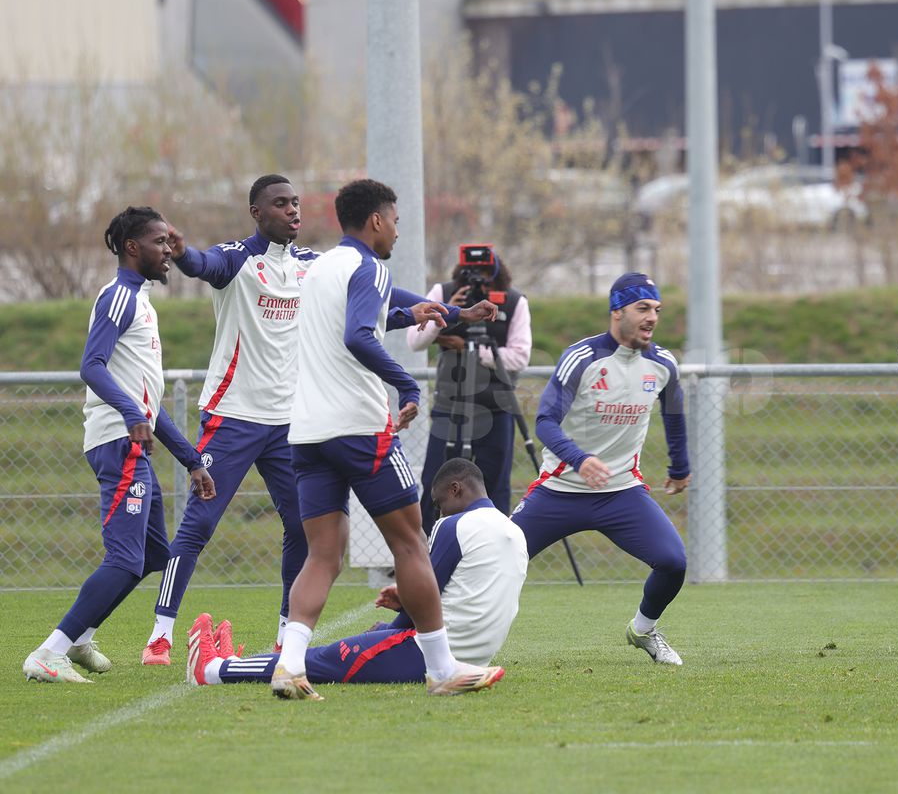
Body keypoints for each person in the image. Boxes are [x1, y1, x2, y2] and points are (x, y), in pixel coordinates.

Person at [279, 178, 502, 699]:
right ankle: (444, 669)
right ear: (376, 220)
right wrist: (403, 382)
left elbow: (384, 310)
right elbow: (360, 333)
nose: (398, 232)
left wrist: (454, 313)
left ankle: (289, 664)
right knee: (410, 543)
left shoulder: (322, 268)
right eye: (396, 221)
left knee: (323, 556)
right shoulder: (369, 267)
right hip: (358, 427)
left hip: (308, 432)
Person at [23, 207, 217, 683]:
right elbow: (92, 365)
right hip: (118, 442)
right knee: (125, 558)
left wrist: (192, 460)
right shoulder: (119, 298)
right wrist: (131, 414)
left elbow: (149, 403)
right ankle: (50, 651)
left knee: (150, 556)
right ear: (133, 248)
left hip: (134, 441)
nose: (169, 251)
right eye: (159, 242)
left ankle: (82, 636)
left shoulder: (142, 302)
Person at [139, 174, 316, 666]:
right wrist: (185, 251)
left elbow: (372, 292)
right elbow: (202, 264)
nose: (293, 211)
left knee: (301, 525)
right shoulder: (237, 258)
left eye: (296, 203)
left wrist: (438, 311)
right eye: (281, 204)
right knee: (198, 525)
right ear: (257, 213)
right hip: (233, 417)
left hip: (287, 424)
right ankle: (161, 634)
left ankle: (286, 634)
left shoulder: (310, 267)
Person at [186, 459, 528, 689]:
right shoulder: (514, 531)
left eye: (439, 503)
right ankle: (233, 660)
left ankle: (215, 670)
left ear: (456, 490)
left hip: (425, 653)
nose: (439, 511)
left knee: (314, 659)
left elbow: (424, 603)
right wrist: (399, 614)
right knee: (324, 654)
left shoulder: (456, 525)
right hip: (475, 655)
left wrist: (390, 632)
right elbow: (458, 595)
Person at [509, 272, 691, 665]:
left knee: (673, 562)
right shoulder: (583, 357)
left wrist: (680, 467)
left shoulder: (662, 364)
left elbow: (674, 415)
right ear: (617, 310)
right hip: (559, 491)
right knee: (495, 556)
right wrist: (580, 459)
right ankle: (412, 628)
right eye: (643, 308)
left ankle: (643, 631)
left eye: (657, 309)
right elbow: (545, 421)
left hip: (621, 492)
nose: (652, 317)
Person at [408, 248, 531, 530]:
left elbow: (520, 356)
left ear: (499, 274)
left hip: (496, 407)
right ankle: (429, 552)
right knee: (435, 483)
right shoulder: (444, 292)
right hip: (450, 407)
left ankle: (493, 550)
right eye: (471, 273)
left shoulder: (513, 301)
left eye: (487, 276)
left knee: (494, 487)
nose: (478, 282)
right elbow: (415, 342)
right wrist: (447, 312)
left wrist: (472, 350)